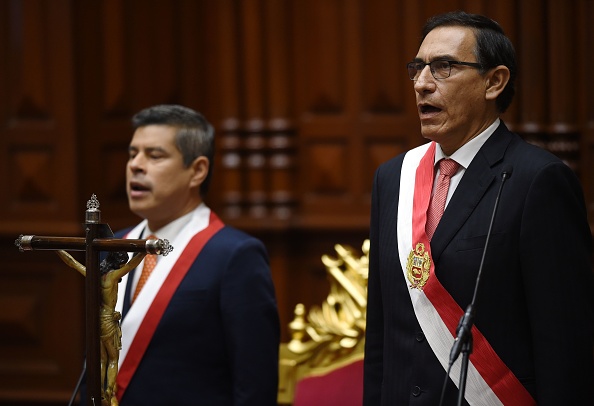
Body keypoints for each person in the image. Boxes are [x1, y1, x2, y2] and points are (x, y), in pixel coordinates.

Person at [363, 10, 594, 406]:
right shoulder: (393, 179)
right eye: (417, 68)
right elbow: (381, 333)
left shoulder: (537, 181)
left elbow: (566, 349)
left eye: (443, 68)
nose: (421, 84)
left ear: (494, 81)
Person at [112, 104, 280, 405]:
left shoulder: (234, 255)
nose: (135, 165)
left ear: (197, 170)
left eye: (154, 155)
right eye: (132, 153)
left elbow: (255, 384)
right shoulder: (113, 246)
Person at [57, 250, 146, 406]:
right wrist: (144, 252)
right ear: (118, 262)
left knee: (102, 359)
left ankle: (100, 390)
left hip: (97, 320)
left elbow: (72, 262)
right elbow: (133, 264)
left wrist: (58, 249)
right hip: (108, 320)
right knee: (112, 359)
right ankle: (109, 392)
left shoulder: (95, 275)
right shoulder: (113, 276)